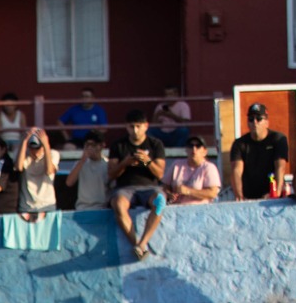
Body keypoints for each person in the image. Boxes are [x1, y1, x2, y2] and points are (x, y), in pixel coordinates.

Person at [108, 110, 168, 259]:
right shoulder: (118, 146)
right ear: (126, 127)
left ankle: (143, 242)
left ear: (146, 126)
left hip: (150, 188)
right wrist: (125, 163)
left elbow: (160, 174)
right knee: (117, 204)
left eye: (138, 126)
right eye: (131, 127)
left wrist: (147, 161)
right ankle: (137, 244)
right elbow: (111, 174)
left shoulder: (155, 144)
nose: (135, 130)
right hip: (125, 188)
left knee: (160, 201)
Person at [228, 103, 290, 201]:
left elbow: (280, 167)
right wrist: (239, 196)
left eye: (259, 119)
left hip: (271, 194)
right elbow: (236, 170)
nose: (255, 122)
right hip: (248, 196)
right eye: (251, 119)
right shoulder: (240, 143)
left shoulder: (278, 139)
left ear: (266, 122)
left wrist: (276, 193)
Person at [16, 128, 60, 220]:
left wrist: (46, 145)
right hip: (26, 206)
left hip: (47, 205)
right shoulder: (23, 154)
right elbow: (19, 167)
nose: (34, 151)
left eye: (37, 148)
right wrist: (24, 142)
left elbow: (49, 171)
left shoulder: (53, 154)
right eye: (32, 148)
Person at [165, 136, 221, 206]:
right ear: (186, 150)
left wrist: (188, 191)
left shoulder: (209, 167)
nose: (194, 149)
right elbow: (164, 186)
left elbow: (212, 193)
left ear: (205, 151)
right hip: (175, 208)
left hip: (199, 209)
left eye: (198, 146)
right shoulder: (176, 165)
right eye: (190, 146)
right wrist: (169, 194)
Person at [66, 133, 111, 210]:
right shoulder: (80, 164)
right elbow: (69, 182)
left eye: (93, 145)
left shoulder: (107, 165)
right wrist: (83, 160)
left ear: (101, 146)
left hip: (102, 208)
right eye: (87, 145)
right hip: (82, 208)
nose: (89, 148)